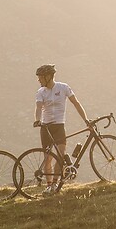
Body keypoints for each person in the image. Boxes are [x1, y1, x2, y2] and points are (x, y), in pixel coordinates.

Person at [33, 63, 89, 194]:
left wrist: (86, 119)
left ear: (48, 76)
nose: (38, 80)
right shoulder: (40, 92)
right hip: (46, 127)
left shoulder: (63, 87)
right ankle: (48, 185)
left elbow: (76, 103)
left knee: (60, 155)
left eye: (40, 77)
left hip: (59, 126)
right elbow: (38, 107)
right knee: (47, 158)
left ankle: (55, 184)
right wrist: (37, 120)